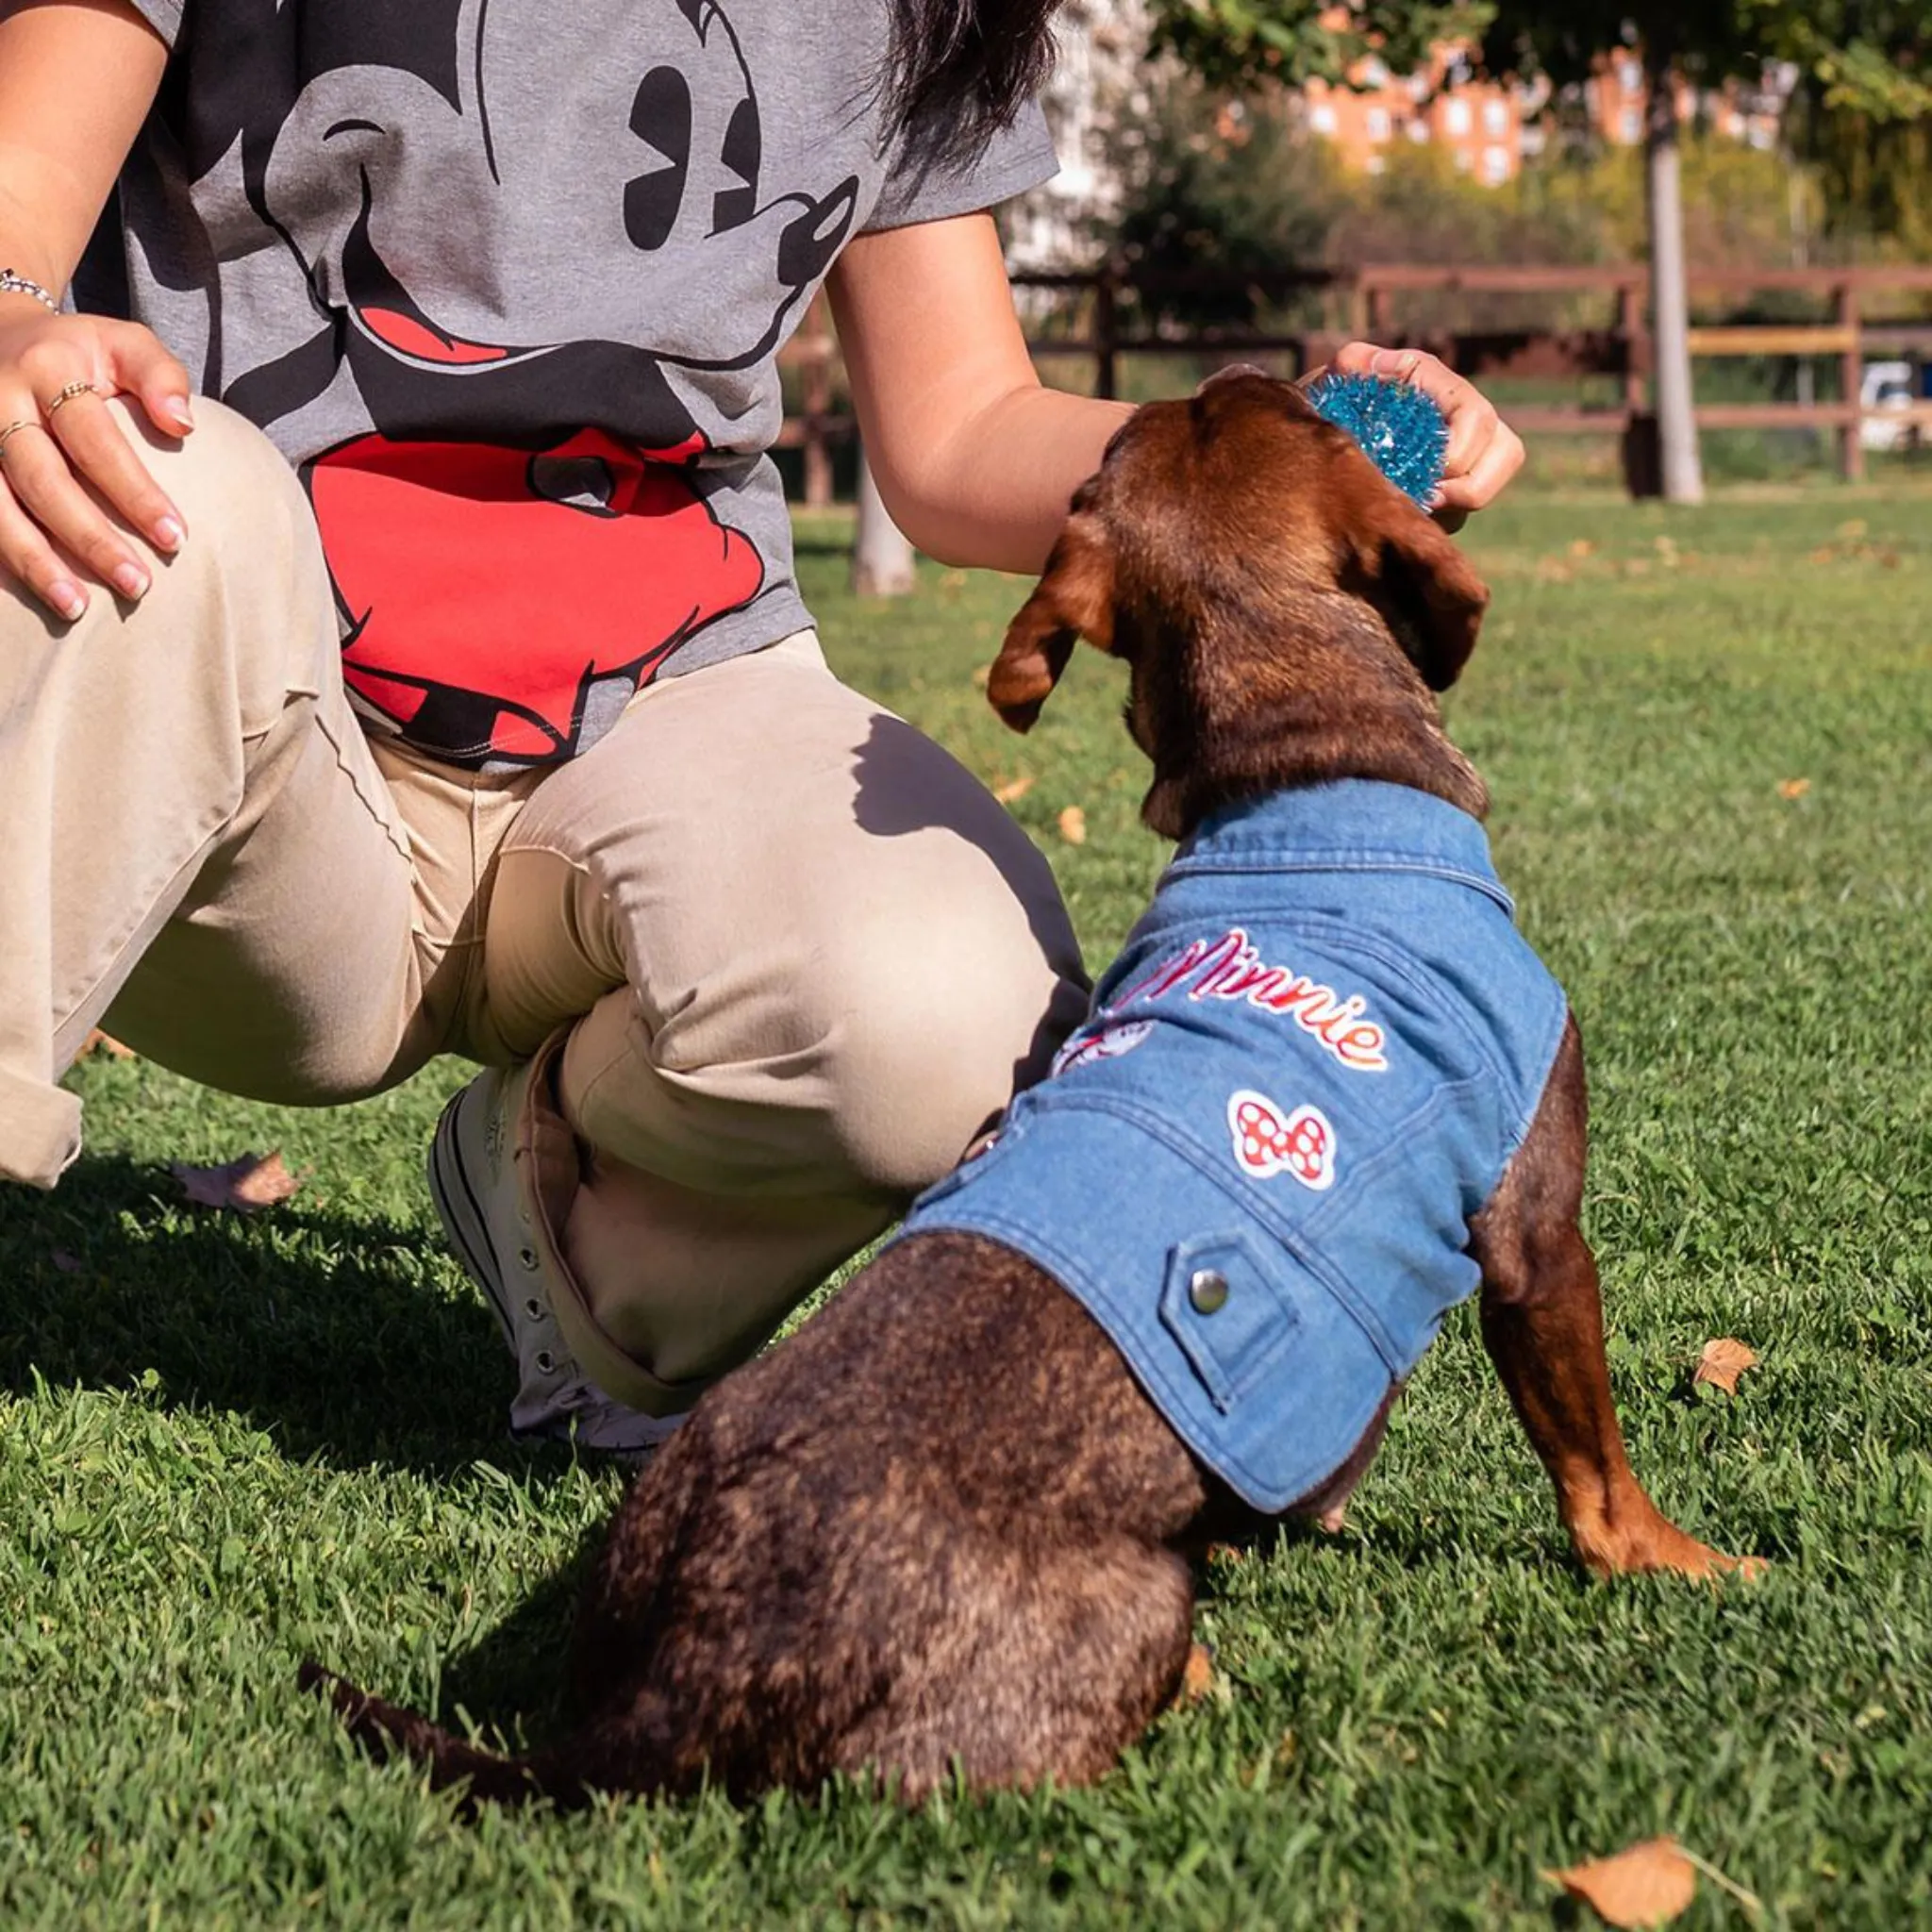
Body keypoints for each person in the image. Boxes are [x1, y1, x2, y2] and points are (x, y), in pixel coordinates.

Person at [0, 0, 1524, 1452]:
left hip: (658, 715)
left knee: (962, 1024)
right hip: (253, 761)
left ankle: (579, 1213)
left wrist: (1277, 452)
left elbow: (958, 429)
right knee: (111, 470)